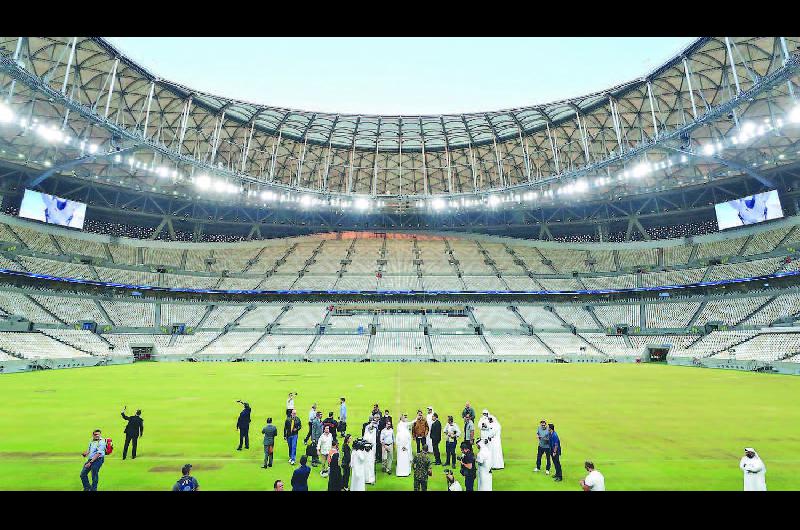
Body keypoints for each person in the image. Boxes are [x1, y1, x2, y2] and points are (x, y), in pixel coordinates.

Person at [363, 417, 378, 484]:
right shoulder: (366, 433)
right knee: (366, 464)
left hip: (372, 451)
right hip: (366, 452)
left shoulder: (374, 431)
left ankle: (371, 478)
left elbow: (374, 442)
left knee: (371, 465)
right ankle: (366, 478)